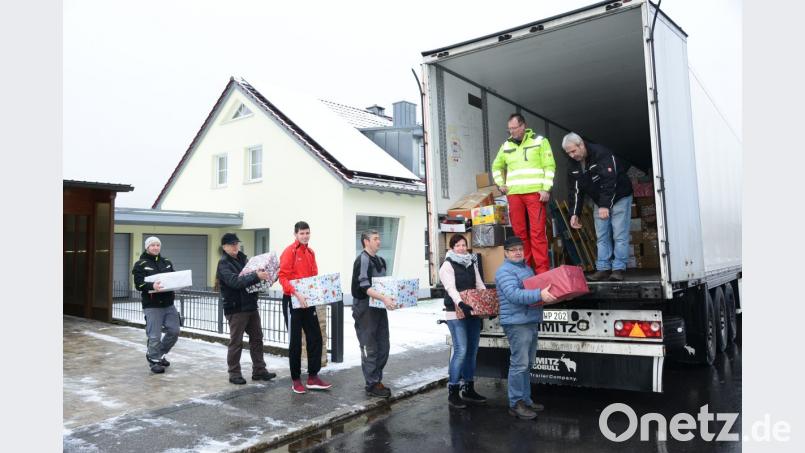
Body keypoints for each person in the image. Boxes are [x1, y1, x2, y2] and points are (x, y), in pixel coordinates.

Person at [495, 236, 557, 420]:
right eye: (513, 250)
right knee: (519, 364)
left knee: (527, 364)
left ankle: (526, 399)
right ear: (506, 253)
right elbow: (514, 295)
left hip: (529, 319)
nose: (517, 252)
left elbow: (532, 289)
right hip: (516, 323)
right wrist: (540, 294)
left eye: (520, 249)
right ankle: (515, 404)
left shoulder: (526, 268)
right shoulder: (504, 271)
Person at [562, 132, 634, 282]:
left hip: (620, 196)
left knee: (619, 234)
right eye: (568, 153)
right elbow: (574, 190)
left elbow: (610, 181)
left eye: (573, 151)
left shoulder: (601, 153)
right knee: (602, 235)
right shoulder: (573, 165)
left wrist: (604, 205)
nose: (571, 155)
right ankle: (603, 268)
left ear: (581, 144)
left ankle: (618, 269)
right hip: (599, 200)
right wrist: (574, 213)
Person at [492, 113, 556, 274]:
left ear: (523, 126)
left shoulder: (540, 141)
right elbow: (496, 166)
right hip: (514, 195)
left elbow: (550, 166)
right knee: (519, 235)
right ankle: (525, 271)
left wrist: (546, 188)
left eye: (514, 128)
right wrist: (501, 184)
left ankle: (542, 272)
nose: (511, 132)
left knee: (538, 234)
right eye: (509, 129)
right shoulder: (506, 146)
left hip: (535, 193)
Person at [279, 221, 333, 394]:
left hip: (308, 303)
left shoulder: (311, 252)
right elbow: (283, 277)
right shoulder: (289, 251)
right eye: (301, 233)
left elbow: (314, 277)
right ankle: (296, 379)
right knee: (295, 342)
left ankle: (313, 377)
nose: (305, 236)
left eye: (307, 233)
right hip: (292, 301)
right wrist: (295, 293)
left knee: (315, 337)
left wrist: (321, 290)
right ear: (295, 234)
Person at [216, 232, 277, 385]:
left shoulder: (244, 259)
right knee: (236, 342)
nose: (235, 246)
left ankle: (259, 370)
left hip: (250, 305)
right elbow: (235, 282)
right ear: (224, 247)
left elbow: (252, 280)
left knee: (257, 339)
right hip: (236, 308)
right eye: (231, 244)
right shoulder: (224, 263)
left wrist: (269, 277)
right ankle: (234, 373)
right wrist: (256, 276)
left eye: (236, 243)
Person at [438, 235, 487, 409]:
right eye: (457, 245)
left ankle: (469, 388)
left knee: (472, 351)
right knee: (461, 350)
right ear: (451, 248)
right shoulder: (447, 265)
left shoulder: (471, 262)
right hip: (455, 312)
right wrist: (460, 303)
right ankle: (453, 390)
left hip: (472, 312)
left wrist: (487, 306)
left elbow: (479, 285)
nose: (461, 248)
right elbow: (450, 288)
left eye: (463, 245)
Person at [350, 229, 398, 398]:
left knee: (384, 346)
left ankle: (376, 379)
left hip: (378, 307)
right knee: (369, 346)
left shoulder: (381, 260)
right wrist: (384, 298)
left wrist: (391, 299)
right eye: (375, 239)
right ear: (366, 242)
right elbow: (364, 286)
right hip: (364, 308)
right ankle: (371, 384)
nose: (379, 241)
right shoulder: (362, 260)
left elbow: (384, 285)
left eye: (379, 238)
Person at [132, 236, 181, 374]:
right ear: (147, 247)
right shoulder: (140, 264)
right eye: (152, 245)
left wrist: (178, 283)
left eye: (157, 245)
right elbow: (139, 284)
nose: (155, 247)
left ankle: (159, 354)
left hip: (168, 303)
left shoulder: (167, 262)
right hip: (152, 305)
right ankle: (154, 360)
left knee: (174, 331)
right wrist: (151, 285)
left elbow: (173, 278)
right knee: (154, 336)